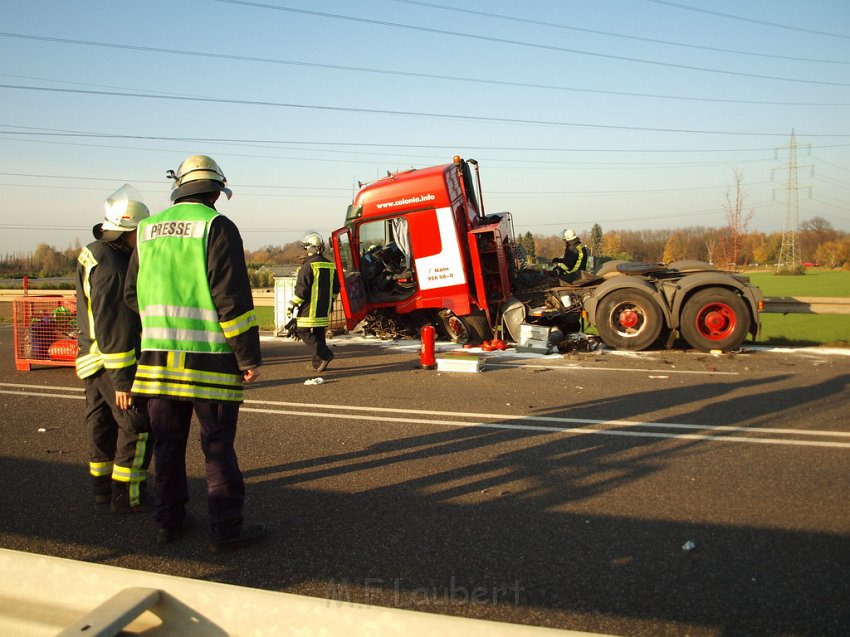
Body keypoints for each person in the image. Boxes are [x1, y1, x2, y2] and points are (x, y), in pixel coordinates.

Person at [125, 155, 266, 553]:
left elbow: (131, 295)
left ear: (179, 187)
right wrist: (247, 358)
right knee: (217, 447)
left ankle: (167, 522)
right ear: (216, 191)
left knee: (167, 446)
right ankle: (227, 530)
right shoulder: (216, 226)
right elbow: (231, 298)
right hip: (210, 361)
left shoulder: (147, 229)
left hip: (156, 361)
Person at [75, 185, 153, 513]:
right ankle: (127, 496)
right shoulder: (115, 267)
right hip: (112, 360)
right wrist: (124, 381)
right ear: (128, 232)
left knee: (102, 422)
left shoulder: (94, 252)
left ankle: (101, 489)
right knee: (137, 426)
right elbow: (116, 323)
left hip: (92, 356)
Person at [289, 231, 340, 373]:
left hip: (310, 308)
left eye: (306, 247)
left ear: (311, 248)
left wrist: (292, 304)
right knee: (319, 334)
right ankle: (317, 364)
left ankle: (326, 355)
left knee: (302, 331)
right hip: (324, 308)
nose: (305, 250)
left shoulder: (308, 265)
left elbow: (302, 290)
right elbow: (336, 288)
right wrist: (330, 301)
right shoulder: (331, 265)